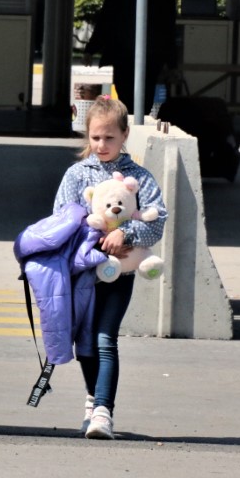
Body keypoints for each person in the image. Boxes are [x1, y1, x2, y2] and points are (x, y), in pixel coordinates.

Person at [53, 96, 167, 439]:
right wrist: (90, 235)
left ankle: (103, 411)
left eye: (110, 138)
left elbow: (156, 221)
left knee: (105, 337)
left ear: (125, 135)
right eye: (96, 138)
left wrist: (124, 234)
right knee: (84, 341)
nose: (102, 145)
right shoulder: (76, 175)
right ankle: (92, 399)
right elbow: (60, 219)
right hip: (84, 272)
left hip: (120, 272)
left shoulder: (139, 178)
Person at [85, 0, 178, 112]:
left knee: (144, 99)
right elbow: (106, 18)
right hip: (122, 54)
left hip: (150, 55)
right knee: (125, 98)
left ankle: (136, 133)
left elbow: (167, 26)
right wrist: (91, 48)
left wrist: (171, 62)